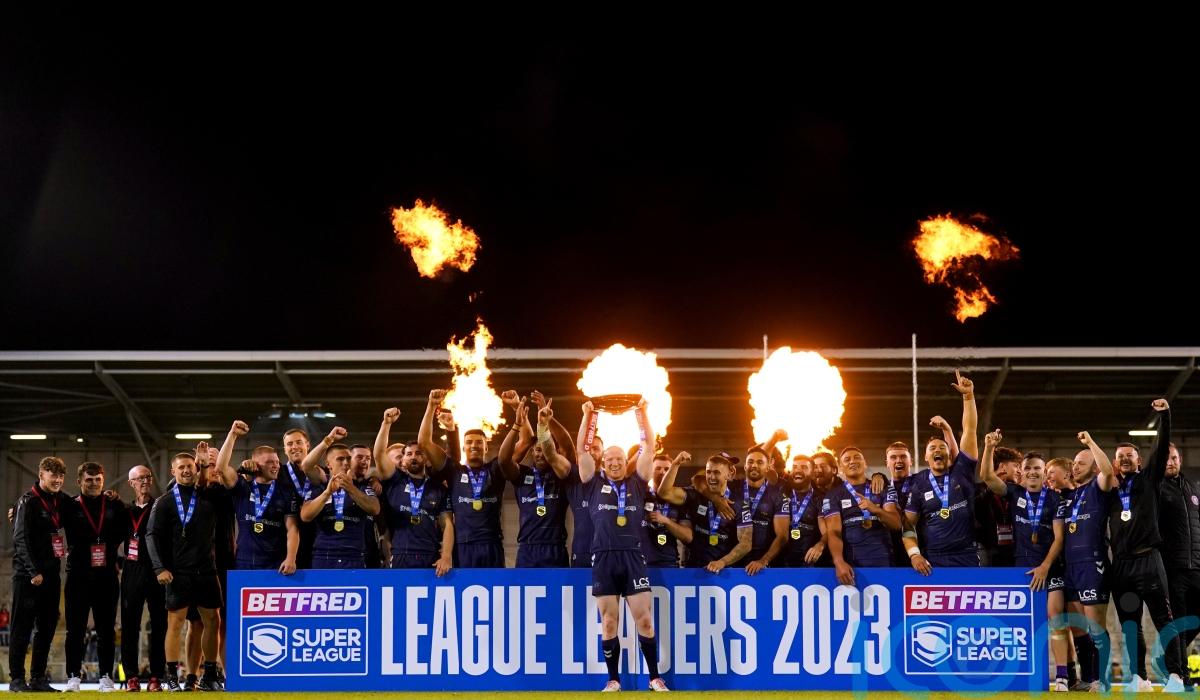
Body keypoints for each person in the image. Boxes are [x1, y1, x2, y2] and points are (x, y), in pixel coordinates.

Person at [574, 399, 669, 692]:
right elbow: (582, 451)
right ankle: (613, 679)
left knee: (645, 621)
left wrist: (642, 414)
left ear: (624, 462)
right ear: (603, 463)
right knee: (609, 623)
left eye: (619, 459)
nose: (615, 463)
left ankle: (654, 678)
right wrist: (589, 416)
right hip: (603, 557)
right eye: (610, 460)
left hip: (632, 557)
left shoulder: (637, 483)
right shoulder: (592, 483)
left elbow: (649, 448)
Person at [1106, 400, 1185, 691]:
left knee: (1164, 619)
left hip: (1149, 562)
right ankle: (1139, 678)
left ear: (1139, 461)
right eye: (1120, 457)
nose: (1125, 459)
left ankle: (1176, 676)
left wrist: (1165, 416)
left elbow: (1161, 448)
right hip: (1122, 566)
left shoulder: (1149, 480)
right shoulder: (1110, 492)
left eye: (1130, 456)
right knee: (1130, 625)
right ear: (1115, 463)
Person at [980, 432, 1068, 689]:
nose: (1032, 472)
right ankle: (1021, 674)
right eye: (1028, 468)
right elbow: (987, 476)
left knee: (1055, 618)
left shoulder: (1055, 499)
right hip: (1021, 567)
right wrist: (989, 447)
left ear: (1044, 472)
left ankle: (1062, 676)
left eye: (1037, 468)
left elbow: (1060, 538)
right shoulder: (1014, 492)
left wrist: (1045, 567)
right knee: (1022, 624)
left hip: (1049, 567)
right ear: (1022, 471)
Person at [146, 447, 225, 691]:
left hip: (206, 571)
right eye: (181, 467)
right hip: (178, 573)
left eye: (190, 466)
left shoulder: (209, 495)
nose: (186, 470)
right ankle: (171, 676)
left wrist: (207, 465)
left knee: (213, 620)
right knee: (175, 624)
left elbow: (218, 479)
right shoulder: (165, 502)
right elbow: (151, 536)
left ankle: (209, 673)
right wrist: (159, 568)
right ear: (173, 471)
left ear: (196, 468)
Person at [902, 371, 980, 571]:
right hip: (933, 559)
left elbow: (970, 429)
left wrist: (968, 397)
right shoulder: (918, 483)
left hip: (967, 555)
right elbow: (908, 525)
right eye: (932, 448)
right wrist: (914, 555)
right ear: (925, 457)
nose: (937, 450)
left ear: (950, 454)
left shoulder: (962, 470)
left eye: (942, 447)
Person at [419, 390, 506, 567]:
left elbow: (518, 447)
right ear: (463, 447)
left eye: (479, 442)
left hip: (492, 544)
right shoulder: (454, 471)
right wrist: (431, 406)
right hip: (463, 546)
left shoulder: (495, 470)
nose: (474, 445)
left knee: (494, 586)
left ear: (486, 448)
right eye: (469, 442)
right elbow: (424, 442)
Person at [62, 461, 128, 692]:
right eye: (89, 480)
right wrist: (17, 509)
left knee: (106, 630)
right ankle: (73, 678)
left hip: (106, 576)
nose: (93, 483)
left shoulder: (114, 504)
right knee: (75, 629)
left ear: (103, 480)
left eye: (98, 479)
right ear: (79, 481)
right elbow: (45, 516)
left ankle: (106, 678)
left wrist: (111, 551)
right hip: (77, 576)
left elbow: (128, 528)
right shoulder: (69, 506)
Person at [9, 457, 70, 692]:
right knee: (21, 628)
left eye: (61, 476)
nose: (57, 480)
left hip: (51, 576)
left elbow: (82, 504)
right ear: (41, 474)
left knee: (47, 628)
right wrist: (32, 570)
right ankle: (16, 679)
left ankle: (38, 678)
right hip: (27, 576)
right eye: (53, 475)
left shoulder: (61, 500)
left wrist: (109, 496)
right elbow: (20, 539)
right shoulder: (28, 501)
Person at [373, 407, 454, 573]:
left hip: (430, 556)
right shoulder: (394, 480)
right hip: (400, 554)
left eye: (418, 453)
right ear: (403, 459)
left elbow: (447, 524)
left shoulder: (438, 488)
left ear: (426, 457)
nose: (413, 457)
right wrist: (386, 424)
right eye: (409, 454)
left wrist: (446, 556)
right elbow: (379, 454)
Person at [215, 421, 300, 573]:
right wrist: (233, 435)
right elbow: (221, 468)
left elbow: (292, 529)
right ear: (256, 464)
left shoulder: (286, 491)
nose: (276, 466)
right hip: (244, 561)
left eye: (277, 462)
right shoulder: (242, 485)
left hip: (276, 564)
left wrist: (291, 558)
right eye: (269, 462)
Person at [498, 397, 573, 567]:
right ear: (532, 451)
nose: (541, 454)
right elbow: (503, 461)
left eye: (545, 450)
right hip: (527, 550)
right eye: (537, 450)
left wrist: (548, 421)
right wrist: (517, 425)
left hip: (555, 549)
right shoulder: (521, 474)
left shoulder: (561, 475)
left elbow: (568, 447)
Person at [299, 428, 382, 568]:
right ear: (328, 464)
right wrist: (327, 493)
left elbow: (375, 509)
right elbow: (305, 516)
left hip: (354, 555)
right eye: (340, 459)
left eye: (348, 458)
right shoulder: (320, 486)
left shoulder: (362, 486)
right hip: (324, 555)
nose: (346, 463)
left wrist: (350, 488)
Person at [823, 447, 901, 585]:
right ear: (841, 468)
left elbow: (896, 524)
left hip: (883, 561)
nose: (852, 461)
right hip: (852, 564)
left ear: (865, 464)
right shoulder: (833, 495)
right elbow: (834, 532)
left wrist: (875, 509)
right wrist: (838, 561)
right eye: (847, 460)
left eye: (857, 457)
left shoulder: (883, 488)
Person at [120, 465, 167, 692]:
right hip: (132, 570)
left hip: (157, 570)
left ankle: (156, 676)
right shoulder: (124, 510)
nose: (145, 481)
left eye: (148, 477)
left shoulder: (161, 506)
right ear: (131, 483)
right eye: (140, 478)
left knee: (159, 625)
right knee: (130, 626)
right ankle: (131, 676)